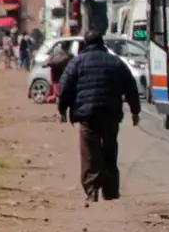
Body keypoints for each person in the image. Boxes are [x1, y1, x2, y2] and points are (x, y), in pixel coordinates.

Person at [57, 31, 141, 205]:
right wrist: (135, 111)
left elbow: (65, 86)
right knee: (110, 151)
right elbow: (131, 86)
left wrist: (62, 109)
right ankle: (110, 191)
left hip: (87, 114)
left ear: (85, 44)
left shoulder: (77, 62)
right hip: (111, 114)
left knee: (90, 153)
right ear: (102, 43)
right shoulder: (116, 62)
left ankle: (92, 190)